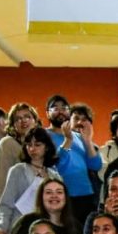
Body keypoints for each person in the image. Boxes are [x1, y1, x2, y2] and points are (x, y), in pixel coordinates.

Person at [0, 127, 62, 234]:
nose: (32, 149)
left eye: (37, 145)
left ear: (47, 147)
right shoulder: (17, 170)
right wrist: (1, 227)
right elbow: (6, 203)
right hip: (20, 231)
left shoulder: (55, 176)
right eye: (29, 145)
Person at [43, 95, 103, 224]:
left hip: (87, 195)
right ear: (47, 113)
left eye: (64, 108)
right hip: (63, 196)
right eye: (55, 108)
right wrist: (68, 140)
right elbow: (57, 166)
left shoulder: (78, 136)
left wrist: (87, 140)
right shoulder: (44, 136)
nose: (60, 111)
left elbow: (95, 165)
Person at [8, 179, 83, 234]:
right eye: (48, 192)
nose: (54, 196)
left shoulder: (75, 225)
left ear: (66, 197)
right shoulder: (28, 221)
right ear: (41, 197)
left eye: (59, 192)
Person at [0, 102, 40, 210]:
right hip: (15, 208)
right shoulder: (7, 144)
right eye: (18, 119)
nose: (23, 121)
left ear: (35, 121)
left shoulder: (43, 143)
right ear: (13, 124)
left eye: (27, 117)